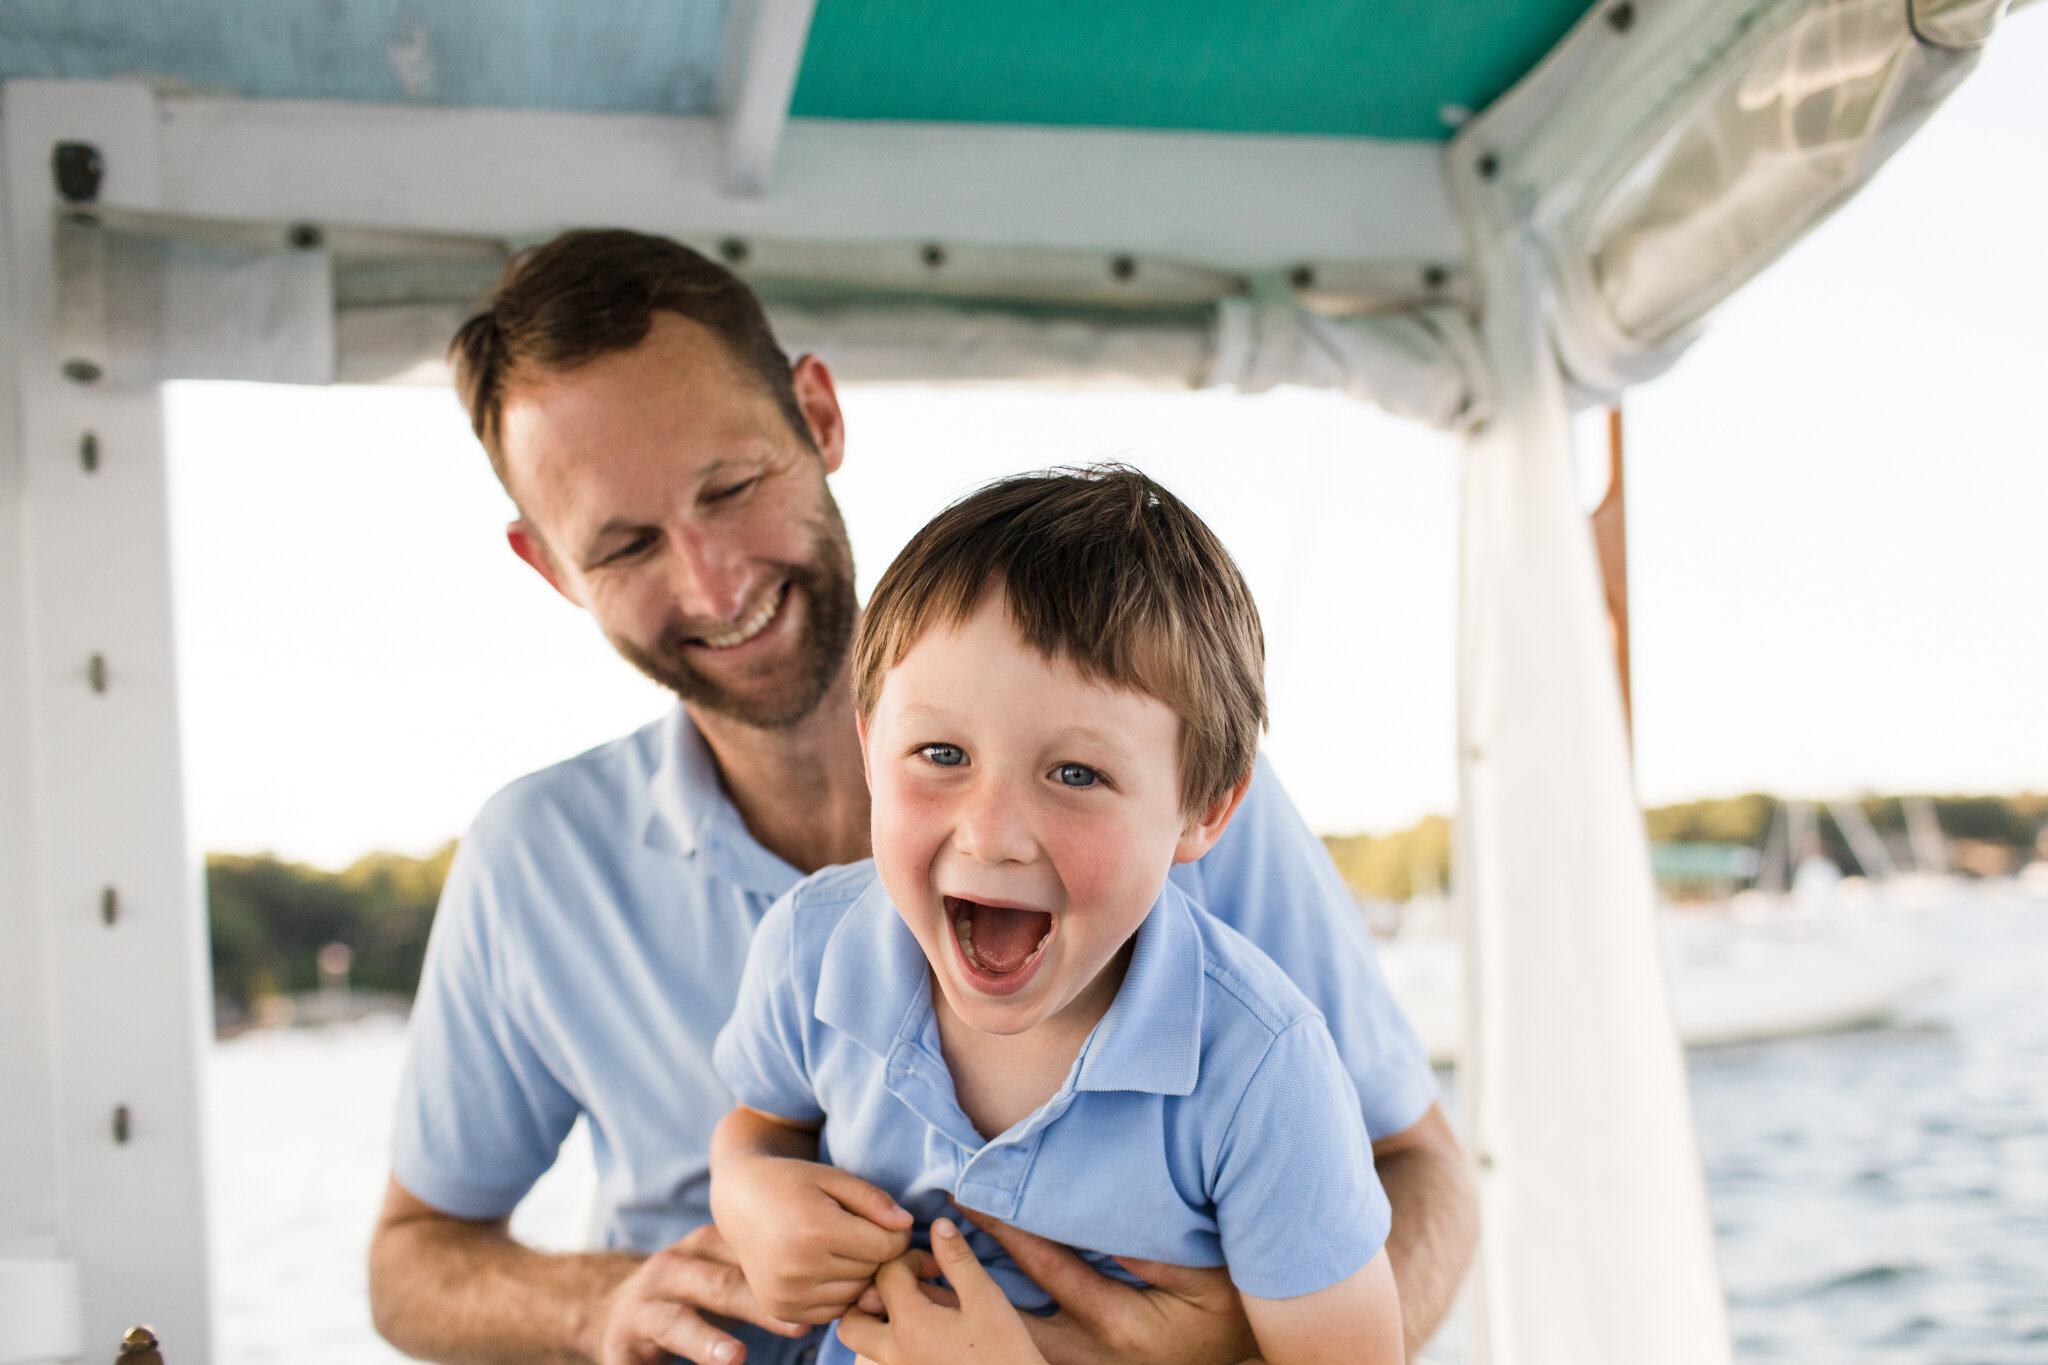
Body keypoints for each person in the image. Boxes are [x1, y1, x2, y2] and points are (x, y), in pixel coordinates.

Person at [366, 229, 1477, 1365]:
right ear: (549, 567)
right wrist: (601, 1304)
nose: (712, 581)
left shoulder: (1162, 781)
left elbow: (1417, 1168)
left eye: (734, 485)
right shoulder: (532, 858)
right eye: (624, 545)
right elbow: (409, 1258)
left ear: (820, 417)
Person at [708, 467, 1405, 1365]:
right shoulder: (809, 949)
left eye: (1076, 773)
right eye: (941, 752)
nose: (993, 833)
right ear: (871, 750)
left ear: (1203, 812)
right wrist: (751, 1196)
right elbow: (762, 1123)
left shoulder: (1262, 1072)